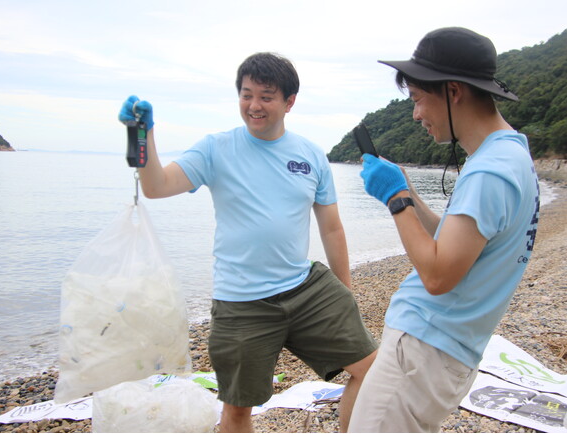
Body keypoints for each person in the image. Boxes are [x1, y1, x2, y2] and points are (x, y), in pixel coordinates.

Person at [118, 52, 377, 433]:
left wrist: (346, 289)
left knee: (373, 371)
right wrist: (142, 134)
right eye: (246, 94)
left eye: (266, 96)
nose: (254, 106)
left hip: (306, 288)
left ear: (289, 102)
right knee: (238, 410)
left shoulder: (311, 156)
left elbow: (332, 229)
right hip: (241, 302)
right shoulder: (214, 148)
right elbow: (156, 186)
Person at [348, 27, 540, 432]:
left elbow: (437, 275)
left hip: (425, 348)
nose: (415, 114)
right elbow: (454, 245)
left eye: (418, 99)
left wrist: (395, 198)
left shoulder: (491, 169)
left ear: (453, 92)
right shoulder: (508, 155)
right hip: (441, 350)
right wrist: (409, 190)